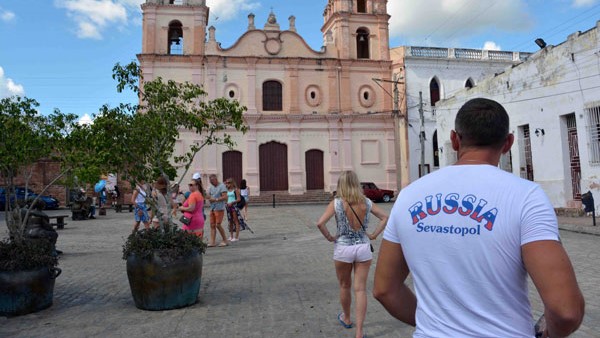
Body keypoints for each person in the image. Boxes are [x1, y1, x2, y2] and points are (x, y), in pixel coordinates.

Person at [373, 98, 585, 338]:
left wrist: (436, 324)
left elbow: (384, 289)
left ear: (455, 140)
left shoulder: (408, 196)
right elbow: (566, 310)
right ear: (508, 143)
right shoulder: (526, 197)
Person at [316, 170, 389, 338]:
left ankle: (347, 318)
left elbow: (320, 223)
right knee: (360, 289)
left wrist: (330, 237)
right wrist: (374, 235)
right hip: (363, 247)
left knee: (344, 286)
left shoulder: (337, 203)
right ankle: (359, 332)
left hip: (343, 248)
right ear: (356, 184)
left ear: (341, 185)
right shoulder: (366, 202)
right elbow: (385, 217)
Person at [207, 174, 229, 247]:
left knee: (218, 225)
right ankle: (212, 242)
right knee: (212, 225)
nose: (211, 183)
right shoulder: (211, 187)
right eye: (210, 182)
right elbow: (209, 196)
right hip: (212, 208)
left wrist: (216, 199)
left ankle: (225, 240)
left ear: (215, 179)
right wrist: (208, 198)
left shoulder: (222, 186)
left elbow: (225, 197)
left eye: (212, 181)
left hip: (219, 208)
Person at [225, 178, 248, 242]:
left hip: (233, 206)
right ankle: (231, 236)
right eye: (226, 183)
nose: (227, 184)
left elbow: (239, 199)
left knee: (236, 221)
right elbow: (226, 198)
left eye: (229, 183)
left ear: (232, 183)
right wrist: (227, 203)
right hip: (228, 206)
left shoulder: (236, 190)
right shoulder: (227, 190)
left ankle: (236, 236)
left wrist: (232, 202)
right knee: (230, 221)